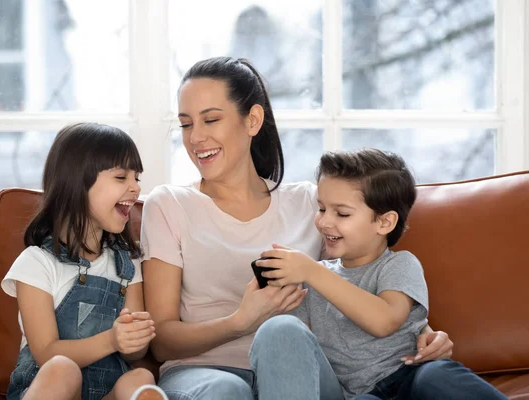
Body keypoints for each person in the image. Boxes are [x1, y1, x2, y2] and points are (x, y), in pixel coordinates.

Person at [141, 56, 454, 400]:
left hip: (304, 372)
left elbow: (355, 275)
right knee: (225, 389)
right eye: (186, 124)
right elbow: (162, 340)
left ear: (253, 120)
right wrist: (240, 321)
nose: (196, 138)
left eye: (211, 119)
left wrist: (426, 331)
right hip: (204, 373)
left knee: (283, 330)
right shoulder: (168, 204)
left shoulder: (310, 204)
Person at [251, 149, 507, 399]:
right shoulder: (310, 279)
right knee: (280, 327)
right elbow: (302, 354)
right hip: (359, 394)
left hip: (410, 377)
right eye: (321, 209)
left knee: (438, 374)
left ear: (384, 222)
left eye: (341, 213)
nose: (324, 222)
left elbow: (384, 321)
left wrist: (312, 271)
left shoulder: (399, 265)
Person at [2, 123, 168, 400]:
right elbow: (45, 353)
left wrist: (133, 338)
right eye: (121, 177)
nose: (135, 187)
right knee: (62, 368)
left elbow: (135, 354)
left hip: (106, 392)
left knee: (142, 377)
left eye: (137, 178)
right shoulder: (36, 263)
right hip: (50, 388)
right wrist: (112, 339)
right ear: (77, 183)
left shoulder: (127, 265)